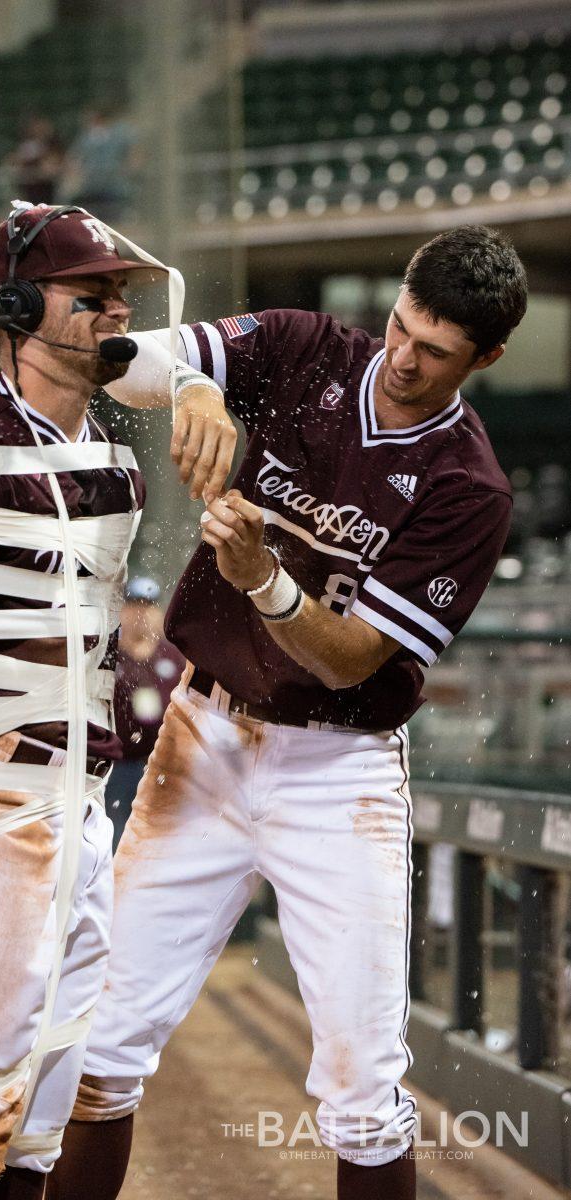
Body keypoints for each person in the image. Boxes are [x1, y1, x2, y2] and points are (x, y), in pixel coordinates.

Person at [47, 225, 528, 1200]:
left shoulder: (468, 487)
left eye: (435, 351)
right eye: (401, 326)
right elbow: (135, 358)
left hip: (335, 771)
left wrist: (262, 579)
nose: (403, 357)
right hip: (205, 732)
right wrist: (192, 387)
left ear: (486, 358)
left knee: (362, 1087)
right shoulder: (312, 348)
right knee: (97, 1043)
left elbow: (352, 659)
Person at [0, 202, 235, 1200]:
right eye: (94, 294)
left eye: (122, 294)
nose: (119, 312)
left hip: (77, 802)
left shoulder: (115, 467)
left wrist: (202, 383)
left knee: (36, 1122)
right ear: (20, 306)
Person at [107, 577, 184, 847]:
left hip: (161, 764)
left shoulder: (174, 657)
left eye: (147, 606)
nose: (140, 614)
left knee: (158, 841)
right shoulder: (108, 654)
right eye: (133, 605)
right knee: (113, 835)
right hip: (117, 763)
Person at [62, 106, 140, 226]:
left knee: (118, 206)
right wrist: (74, 170)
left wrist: (129, 167)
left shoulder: (118, 134)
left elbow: (134, 151)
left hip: (113, 180)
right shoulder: (86, 137)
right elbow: (75, 157)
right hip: (91, 181)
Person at [9, 117, 65, 207]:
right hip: (30, 183)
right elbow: (16, 161)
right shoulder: (27, 144)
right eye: (36, 128)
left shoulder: (53, 144)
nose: (38, 130)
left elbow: (55, 162)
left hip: (47, 184)